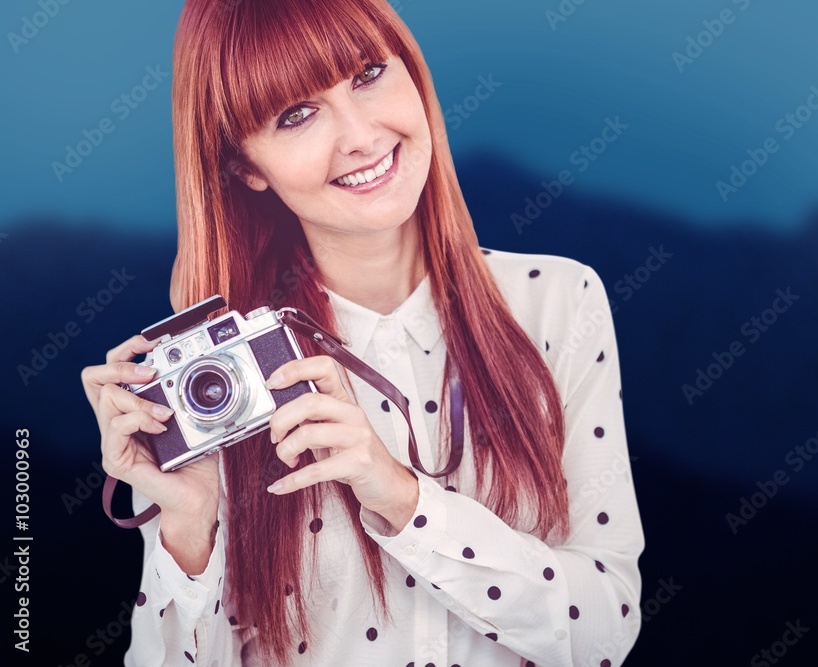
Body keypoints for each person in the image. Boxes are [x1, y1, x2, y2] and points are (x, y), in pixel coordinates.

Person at [80, 0, 644, 664]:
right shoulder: (216, 381)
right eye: (296, 115)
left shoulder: (556, 302)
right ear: (244, 167)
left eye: (369, 73)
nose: (360, 135)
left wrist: (403, 498)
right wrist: (186, 526)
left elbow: (607, 628)